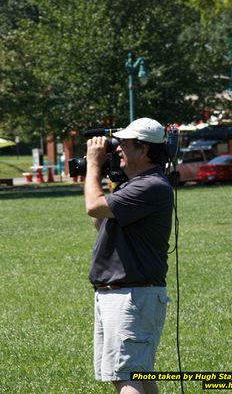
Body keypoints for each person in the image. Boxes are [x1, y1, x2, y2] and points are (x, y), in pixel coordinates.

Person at [84, 117, 174, 394]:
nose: (117, 149)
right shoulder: (134, 186)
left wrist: (93, 165)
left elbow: (93, 207)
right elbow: (100, 221)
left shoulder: (151, 186)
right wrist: (102, 175)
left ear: (143, 149)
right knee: (135, 374)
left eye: (123, 144)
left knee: (127, 377)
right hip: (125, 294)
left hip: (131, 295)